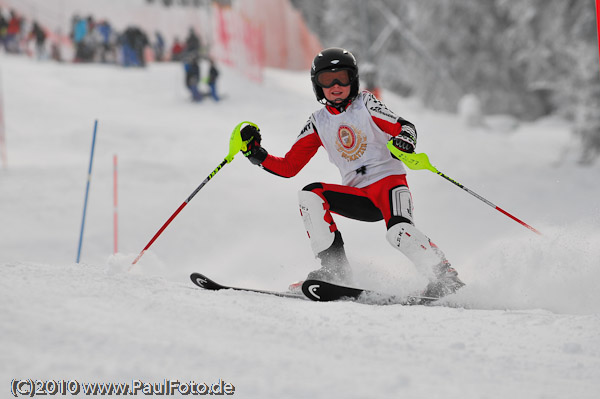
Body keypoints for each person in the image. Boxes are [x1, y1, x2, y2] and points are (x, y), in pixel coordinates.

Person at [238, 47, 465, 299]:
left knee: (398, 232)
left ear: (353, 80)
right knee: (310, 194)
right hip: (360, 196)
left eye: (342, 78)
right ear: (317, 86)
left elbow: (404, 126)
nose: (336, 85)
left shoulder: (366, 103)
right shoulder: (318, 122)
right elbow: (290, 166)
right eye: (327, 80)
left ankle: (445, 277)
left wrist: (404, 140)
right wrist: (256, 154)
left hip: (389, 187)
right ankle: (335, 270)